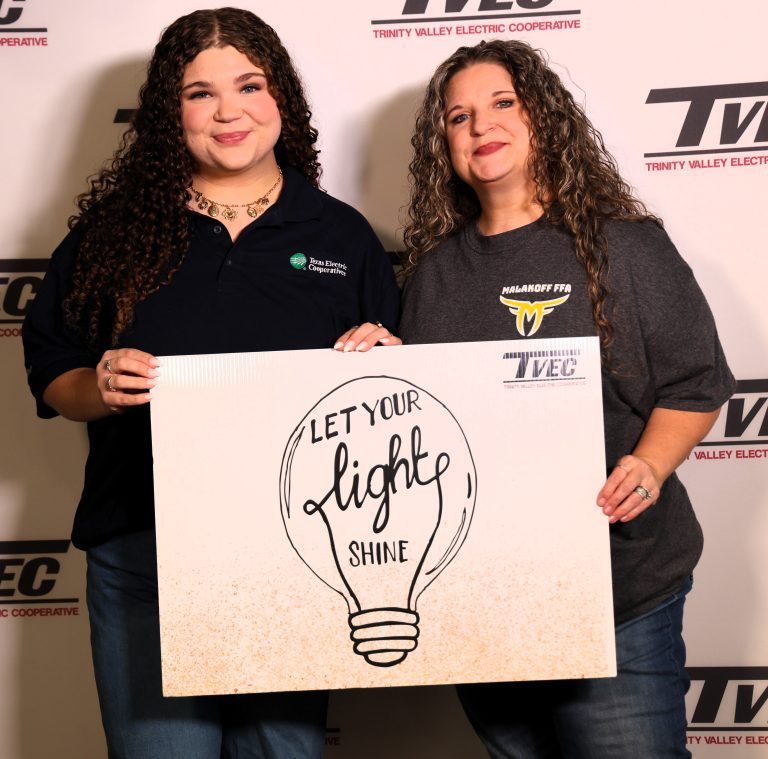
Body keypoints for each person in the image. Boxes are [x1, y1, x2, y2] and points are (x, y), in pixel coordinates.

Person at [22, 8, 399, 758]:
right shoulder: (114, 233)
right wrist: (98, 384)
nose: (229, 112)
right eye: (200, 93)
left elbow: (392, 409)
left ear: (281, 98)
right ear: (172, 114)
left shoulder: (341, 235)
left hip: (296, 560)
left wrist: (389, 363)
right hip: (144, 553)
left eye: (249, 86)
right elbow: (52, 366)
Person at [399, 40, 735, 758]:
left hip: (617, 591)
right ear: (444, 144)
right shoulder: (432, 274)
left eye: (503, 103)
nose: (481, 125)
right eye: (459, 116)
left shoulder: (624, 246)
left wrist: (649, 464)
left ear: (543, 118)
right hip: (484, 601)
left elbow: (697, 382)